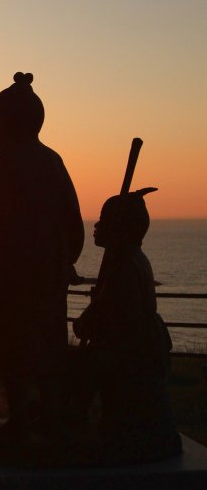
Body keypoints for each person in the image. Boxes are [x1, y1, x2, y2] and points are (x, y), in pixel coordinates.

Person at [0, 72, 85, 459]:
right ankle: (53, 418)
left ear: (7, 122)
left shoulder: (1, 161)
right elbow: (73, 221)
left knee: (13, 342)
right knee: (48, 341)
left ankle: (21, 421)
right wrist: (66, 259)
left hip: (14, 265)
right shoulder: (52, 160)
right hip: (50, 267)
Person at [72, 189, 181, 462]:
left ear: (120, 227)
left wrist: (88, 319)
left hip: (131, 354)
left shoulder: (124, 266)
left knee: (86, 371)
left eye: (104, 220)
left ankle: (77, 422)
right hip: (135, 348)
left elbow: (107, 312)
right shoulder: (130, 260)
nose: (97, 226)